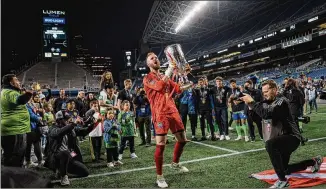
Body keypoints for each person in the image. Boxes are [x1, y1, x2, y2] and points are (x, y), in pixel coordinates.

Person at [241, 80, 323, 188]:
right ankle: (313, 162)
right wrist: (250, 107)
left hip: (292, 137)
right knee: (285, 169)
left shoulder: (282, 101)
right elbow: (258, 118)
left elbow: (267, 114)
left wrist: (252, 102)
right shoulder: (265, 102)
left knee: (270, 145)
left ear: (274, 90)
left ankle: (282, 181)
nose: (264, 94)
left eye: (266, 91)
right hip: (281, 138)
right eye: (263, 92)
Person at [143, 52, 191, 188]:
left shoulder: (164, 76)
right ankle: (160, 176)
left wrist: (185, 77)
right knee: (161, 144)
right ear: (148, 64)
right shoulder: (147, 78)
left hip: (172, 110)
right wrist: (170, 69)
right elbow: (159, 86)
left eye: (156, 57)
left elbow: (178, 88)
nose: (155, 59)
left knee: (182, 139)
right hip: (160, 113)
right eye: (152, 59)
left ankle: (175, 163)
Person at [44, 110, 89, 186]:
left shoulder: (69, 128)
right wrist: (74, 124)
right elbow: (59, 133)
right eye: (66, 119)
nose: (68, 120)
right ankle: (63, 176)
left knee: (85, 172)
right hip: (54, 157)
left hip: (68, 156)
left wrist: (94, 123)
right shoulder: (52, 129)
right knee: (65, 153)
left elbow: (84, 131)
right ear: (59, 120)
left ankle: (63, 169)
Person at [1, 74, 32, 167]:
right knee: (16, 157)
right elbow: (20, 100)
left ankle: (7, 177)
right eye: (16, 80)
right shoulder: (10, 92)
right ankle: (13, 178)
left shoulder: (4, 92)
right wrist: (29, 93)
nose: (19, 82)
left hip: (11, 129)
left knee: (8, 156)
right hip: (16, 130)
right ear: (11, 83)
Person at [211, 76, 231, 140]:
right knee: (218, 121)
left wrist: (230, 98)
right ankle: (222, 134)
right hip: (216, 108)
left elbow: (231, 90)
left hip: (224, 107)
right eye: (217, 81)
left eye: (220, 81)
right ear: (215, 82)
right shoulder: (213, 89)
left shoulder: (226, 88)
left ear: (222, 82)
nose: (219, 82)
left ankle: (227, 134)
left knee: (225, 120)